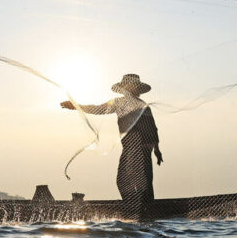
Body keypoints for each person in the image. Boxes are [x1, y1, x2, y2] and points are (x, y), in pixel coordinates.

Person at [61, 73, 162, 218]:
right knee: (130, 182)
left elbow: (152, 129)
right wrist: (76, 106)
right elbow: (97, 109)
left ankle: (140, 211)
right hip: (132, 148)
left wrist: (156, 150)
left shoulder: (141, 106)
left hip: (140, 148)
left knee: (137, 183)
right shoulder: (121, 103)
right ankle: (139, 210)